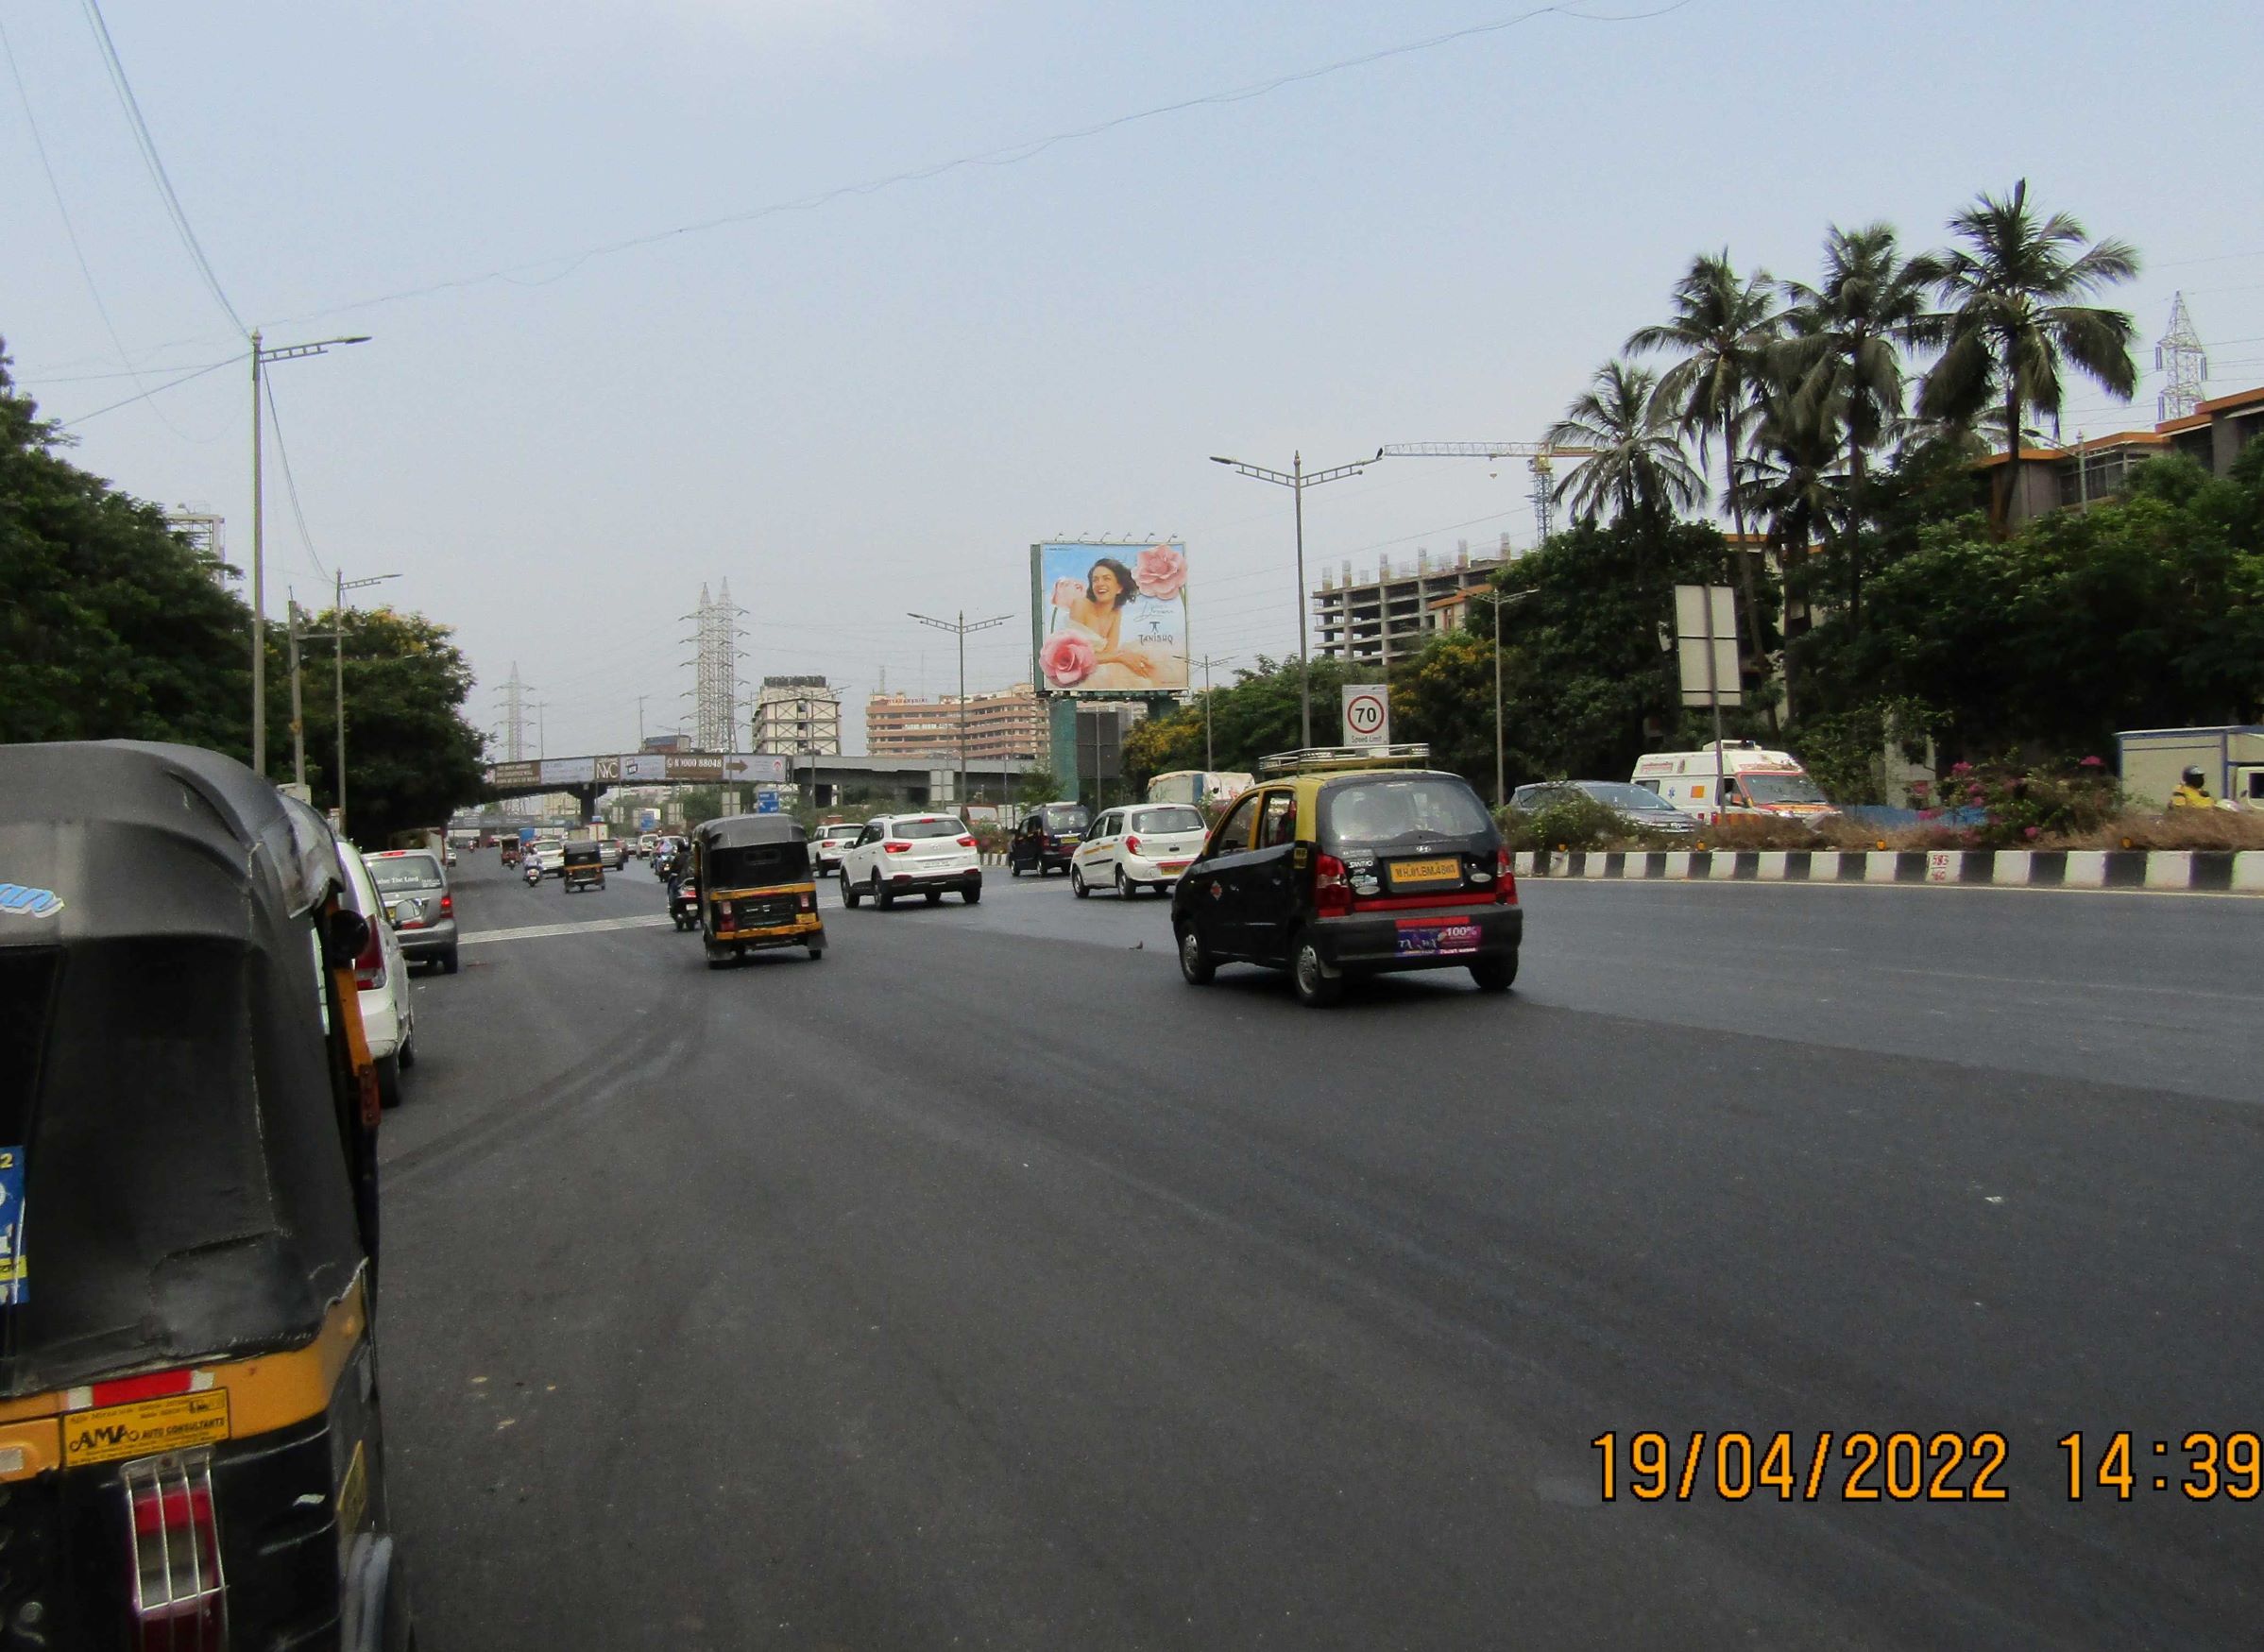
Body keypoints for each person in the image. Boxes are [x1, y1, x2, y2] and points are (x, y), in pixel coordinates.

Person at [1048, 557, 1159, 690]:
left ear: (1119, 587)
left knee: (1147, 663)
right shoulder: (1081, 604)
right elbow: (1077, 657)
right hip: (1075, 672)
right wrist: (1120, 657)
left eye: (1106, 578)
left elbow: (1110, 652)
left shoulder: (1116, 612)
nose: (1099, 584)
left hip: (1101, 668)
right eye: (1095, 580)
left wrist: (1119, 657)